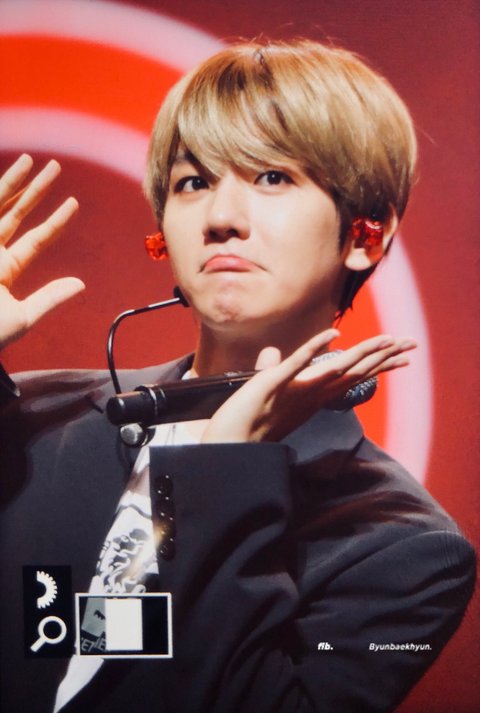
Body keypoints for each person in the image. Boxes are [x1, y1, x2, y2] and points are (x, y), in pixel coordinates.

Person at [0, 39, 475, 713]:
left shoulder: (406, 549)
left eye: (272, 177)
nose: (221, 218)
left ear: (365, 234)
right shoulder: (31, 418)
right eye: (193, 183)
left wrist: (224, 470)